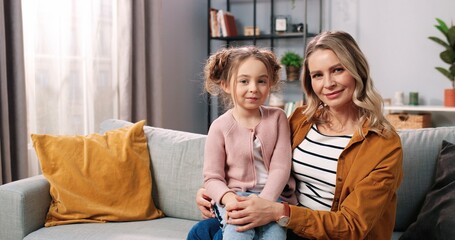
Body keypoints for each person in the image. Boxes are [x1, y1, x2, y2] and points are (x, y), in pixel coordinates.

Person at [187, 31, 403, 240]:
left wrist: (277, 211)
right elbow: (262, 160)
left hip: (321, 231)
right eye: (317, 75)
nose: (328, 84)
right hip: (286, 222)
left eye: (337, 70)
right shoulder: (302, 119)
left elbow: (352, 226)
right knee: (201, 232)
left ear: (357, 71)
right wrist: (213, 194)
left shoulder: (384, 144)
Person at [197, 46, 297, 240]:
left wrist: (265, 203)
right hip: (235, 199)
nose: (253, 88)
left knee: (275, 236)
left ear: (270, 84)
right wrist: (229, 199)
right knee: (238, 234)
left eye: (261, 81)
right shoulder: (219, 127)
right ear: (226, 85)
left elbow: (281, 167)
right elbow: (212, 178)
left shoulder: (278, 118)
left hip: (273, 198)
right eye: (244, 81)